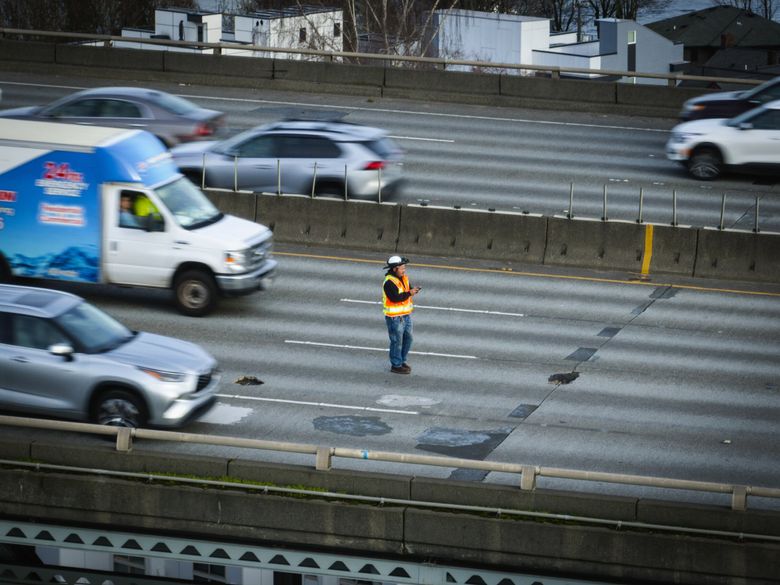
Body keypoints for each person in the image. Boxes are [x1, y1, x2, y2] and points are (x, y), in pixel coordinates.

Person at [382, 255, 421, 374]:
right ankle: (396, 365)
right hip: (395, 318)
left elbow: (407, 290)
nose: (404, 270)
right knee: (396, 342)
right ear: (395, 269)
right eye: (402, 268)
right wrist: (410, 293)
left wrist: (412, 290)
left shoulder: (404, 278)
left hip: (406, 316)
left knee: (408, 339)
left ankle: (402, 360)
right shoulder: (389, 282)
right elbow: (395, 298)